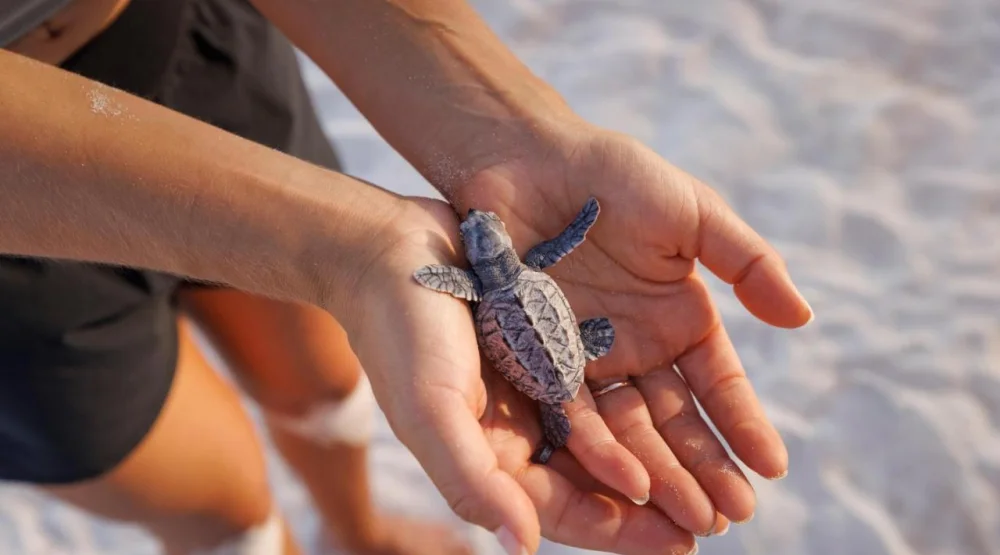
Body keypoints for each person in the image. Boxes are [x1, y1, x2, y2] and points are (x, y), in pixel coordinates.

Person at [0, 1, 814, 554]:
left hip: (180, 35)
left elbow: (475, 272)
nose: (479, 236)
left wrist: (520, 132)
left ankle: (356, 530)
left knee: (321, 379)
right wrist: (356, 250)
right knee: (221, 504)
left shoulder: (499, 274)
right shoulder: (513, 271)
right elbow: (489, 270)